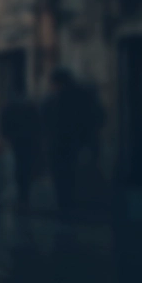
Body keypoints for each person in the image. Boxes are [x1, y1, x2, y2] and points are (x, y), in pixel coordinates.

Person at [47, 68, 103, 216]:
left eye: (53, 84)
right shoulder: (84, 96)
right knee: (72, 176)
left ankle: (67, 206)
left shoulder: (59, 99)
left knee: (65, 177)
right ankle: (71, 205)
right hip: (77, 144)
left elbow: (52, 123)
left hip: (67, 145)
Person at [0, 91, 44, 208]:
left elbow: (4, 123)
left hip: (18, 141)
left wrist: (6, 136)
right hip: (27, 141)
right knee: (26, 167)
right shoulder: (30, 109)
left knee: (21, 168)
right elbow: (38, 124)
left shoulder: (11, 108)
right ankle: (24, 196)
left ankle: (22, 196)